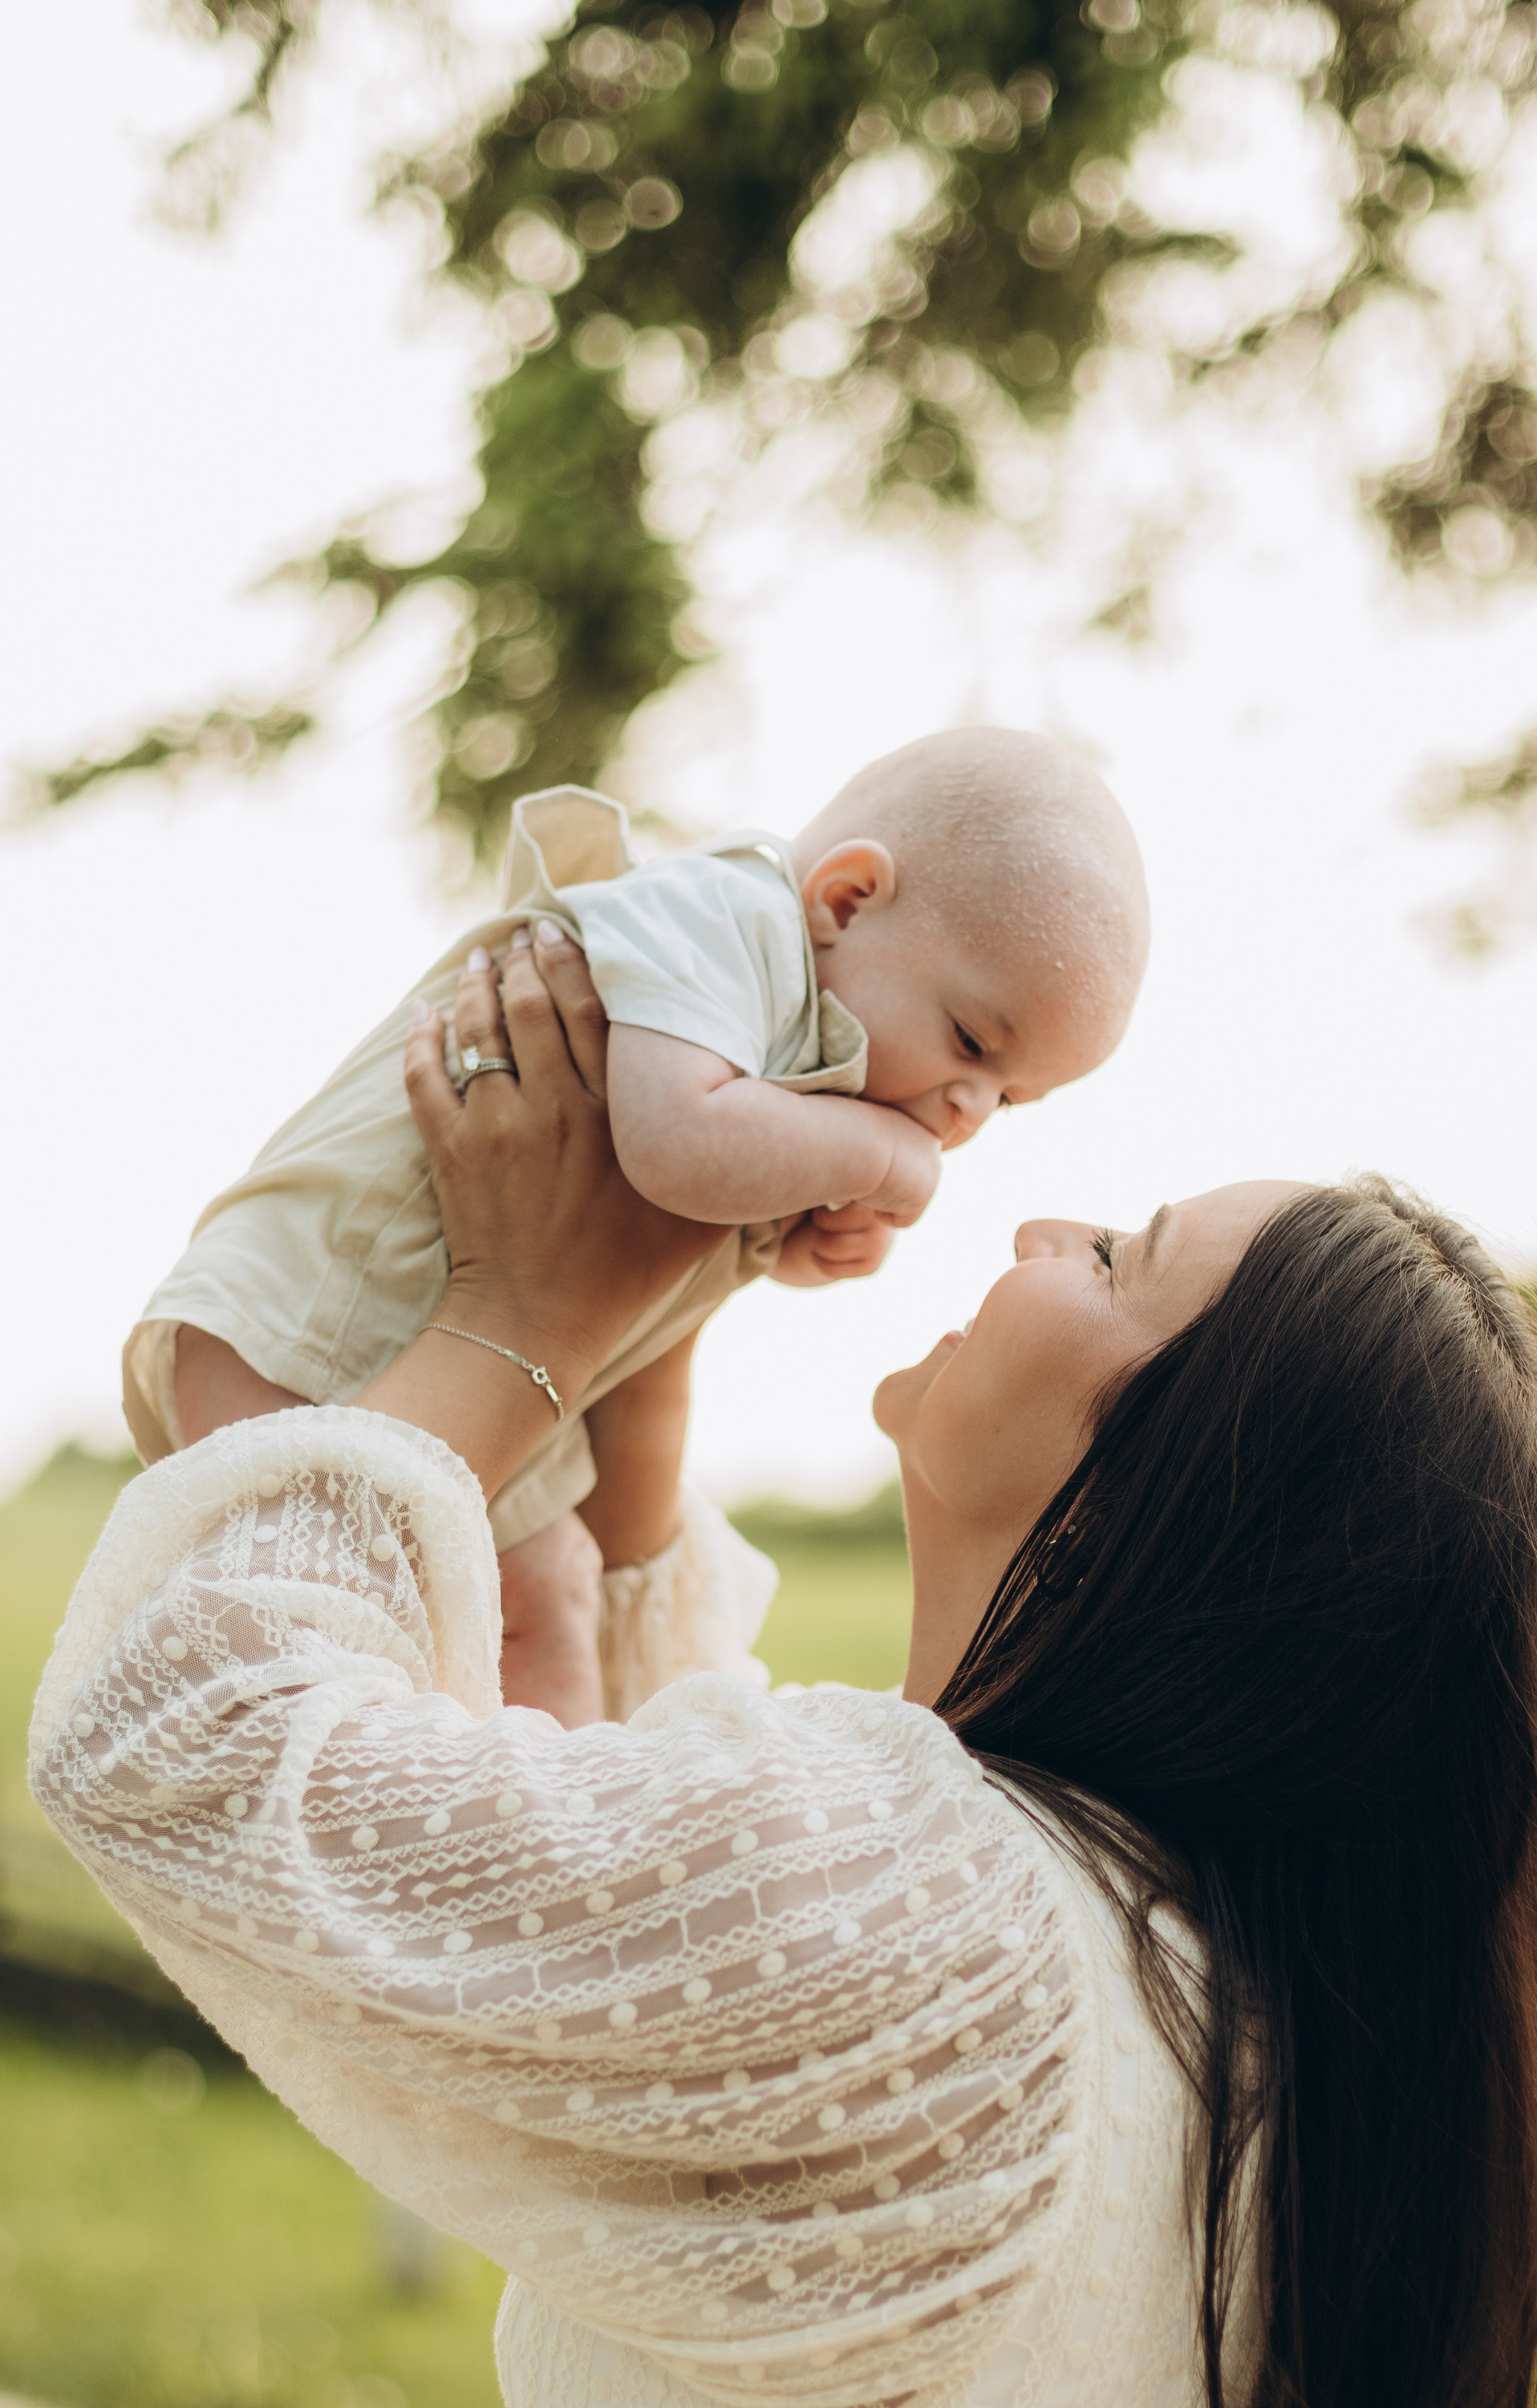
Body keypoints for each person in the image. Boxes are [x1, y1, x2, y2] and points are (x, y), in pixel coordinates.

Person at [33, 932, 1537, 2408]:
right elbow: (681, 1953)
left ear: (1181, 1512)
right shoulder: (1208, 2012)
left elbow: (189, 1743)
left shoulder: (956, 1945)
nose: (1047, 1219)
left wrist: (514, 1329)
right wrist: (643, 1430)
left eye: (1123, 1256)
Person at [120, 729, 1150, 1725]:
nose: (966, 1110)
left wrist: (796, 1241)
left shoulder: (800, 1037)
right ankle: (495, 1845)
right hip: (312, 1316)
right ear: (844, 898)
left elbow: (676, 1224)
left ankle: (535, 1849)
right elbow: (669, 1150)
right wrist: (877, 1159)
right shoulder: (724, 920)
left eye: (1008, 1099)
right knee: (290, 1642)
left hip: (420, 1350)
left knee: (552, 1595)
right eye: (970, 1042)